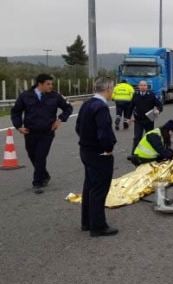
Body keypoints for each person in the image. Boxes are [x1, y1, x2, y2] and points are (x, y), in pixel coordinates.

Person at [11, 73, 73, 194]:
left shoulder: (55, 96)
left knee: (40, 156)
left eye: (51, 84)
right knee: (32, 155)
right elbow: (15, 112)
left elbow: (68, 108)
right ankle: (44, 175)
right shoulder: (26, 96)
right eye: (48, 84)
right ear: (40, 84)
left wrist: (59, 119)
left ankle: (37, 182)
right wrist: (18, 126)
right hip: (30, 132)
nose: (51, 86)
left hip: (47, 132)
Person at [75, 77, 118, 237]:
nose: (113, 91)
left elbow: (78, 126)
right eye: (112, 88)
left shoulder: (87, 104)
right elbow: (104, 131)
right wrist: (108, 148)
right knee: (99, 189)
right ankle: (98, 226)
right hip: (99, 153)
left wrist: (86, 141)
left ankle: (86, 221)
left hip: (86, 150)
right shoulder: (101, 107)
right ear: (107, 89)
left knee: (89, 187)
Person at [128, 80, 163, 155]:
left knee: (149, 137)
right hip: (138, 120)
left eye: (144, 85)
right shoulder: (135, 94)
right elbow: (131, 106)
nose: (143, 87)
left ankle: (150, 153)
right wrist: (128, 118)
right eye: (141, 85)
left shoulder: (151, 94)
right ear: (138, 86)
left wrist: (158, 111)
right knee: (137, 137)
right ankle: (134, 154)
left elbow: (159, 105)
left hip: (149, 120)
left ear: (147, 87)